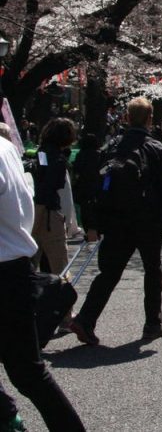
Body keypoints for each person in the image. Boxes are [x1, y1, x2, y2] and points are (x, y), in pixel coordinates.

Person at [69, 97, 162, 345]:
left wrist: (93, 223)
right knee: (152, 270)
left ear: (126, 118)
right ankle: (153, 323)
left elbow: (94, 186)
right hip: (148, 220)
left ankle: (86, 319)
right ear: (150, 119)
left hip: (115, 220)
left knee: (108, 273)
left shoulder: (112, 147)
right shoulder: (155, 148)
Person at [0, 135, 85, 432]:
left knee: (28, 373)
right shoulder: (7, 148)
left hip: (4, 268)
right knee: (29, 373)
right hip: (15, 267)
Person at [31, 118, 76, 274]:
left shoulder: (41, 153)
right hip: (50, 215)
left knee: (30, 263)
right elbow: (53, 186)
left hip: (33, 211)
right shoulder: (58, 158)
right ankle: (59, 296)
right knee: (60, 268)